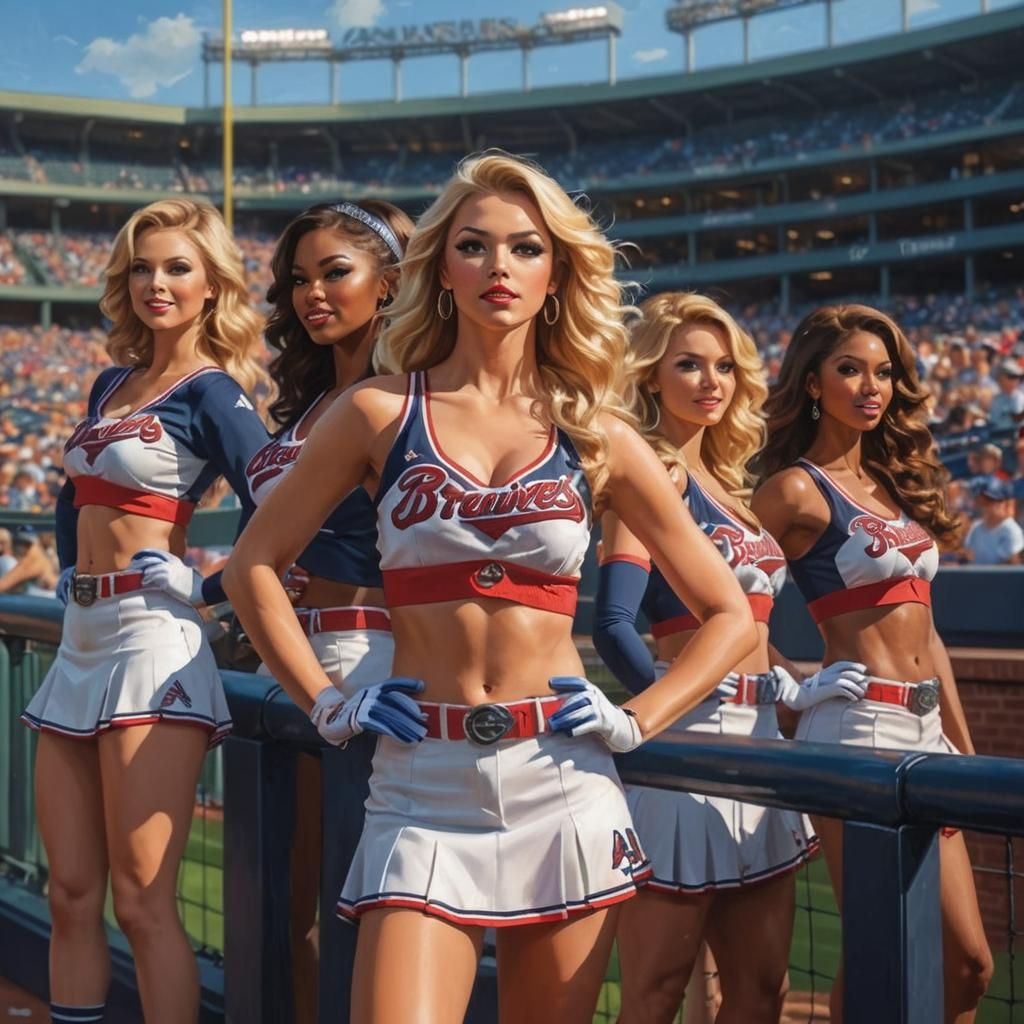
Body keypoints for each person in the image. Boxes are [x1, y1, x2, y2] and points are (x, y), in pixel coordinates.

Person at [223, 152, 757, 1024]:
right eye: (473, 246)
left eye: (523, 247)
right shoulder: (379, 412)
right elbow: (252, 566)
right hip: (419, 782)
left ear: (557, 273)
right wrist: (326, 703)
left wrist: (638, 718)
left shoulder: (599, 435)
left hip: (562, 776)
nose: (498, 267)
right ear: (441, 271)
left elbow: (728, 612)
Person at [21, 198, 268, 1024]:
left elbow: (283, 511)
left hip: (151, 645)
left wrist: (207, 587)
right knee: (69, 891)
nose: (155, 283)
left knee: (140, 899)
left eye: (176, 268)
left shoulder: (216, 394)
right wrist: (66, 567)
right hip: (80, 640)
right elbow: (70, 492)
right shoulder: (109, 382)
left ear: (211, 287)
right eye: (141, 266)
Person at [752, 304, 993, 1023]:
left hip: (928, 734)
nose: (871, 386)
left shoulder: (896, 486)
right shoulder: (794, 488)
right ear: (813, 381)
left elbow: (933, 638)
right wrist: (794, 682)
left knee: (971, 966)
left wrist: (967, 754)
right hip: (857, 731)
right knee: (884, 950)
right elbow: (719, 600)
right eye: (850, 369)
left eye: (884, 372)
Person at [592, 292, 815, 1024]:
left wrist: (797, 688)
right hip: (688, 749)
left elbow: (747, 628)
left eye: (722, 366)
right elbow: (616, 622)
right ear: (652, 375)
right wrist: (658, 710)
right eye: (688, 364)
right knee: (656, 990)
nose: (710, 381)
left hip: (762, 747)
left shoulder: (735, 490)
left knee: (761, 990)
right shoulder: (653, 479)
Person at [217, 198, 413, 1022]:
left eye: (337, 272)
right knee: (281, 908)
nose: (312, 293)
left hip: (360, 660)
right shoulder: (306, 408)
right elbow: (268, 552)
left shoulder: (400, 400)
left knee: (347, 906)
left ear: (391, 282)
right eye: (299, 278)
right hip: (287, 665)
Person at [962, 476, 1023, 565]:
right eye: (981, 502)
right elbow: (969, 557)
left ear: (1001, 502)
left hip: (1000, 578)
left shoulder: (1012, 531)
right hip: (975, 577)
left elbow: (1013, 569)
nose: (984, 506)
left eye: (989, 501)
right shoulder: (976, 527)